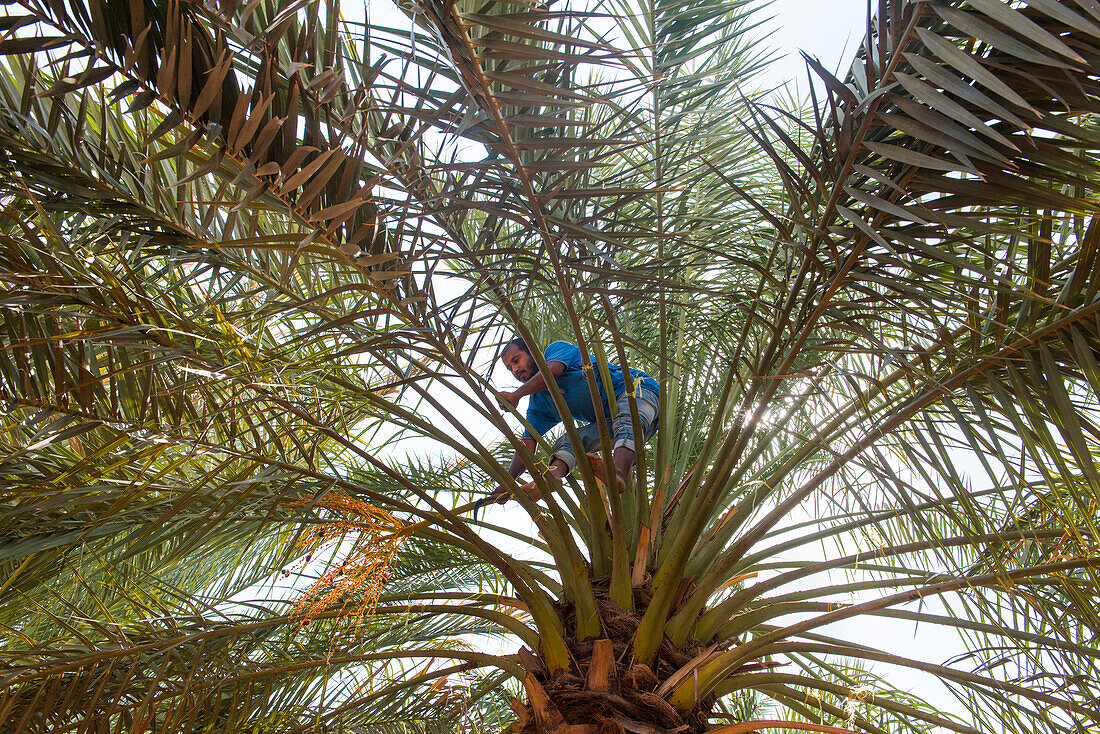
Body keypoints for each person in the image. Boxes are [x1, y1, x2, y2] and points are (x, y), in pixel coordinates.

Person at [493, 337, 659, 502]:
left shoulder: (556, 350)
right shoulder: (539, 405)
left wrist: (516, 395)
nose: (515, 370)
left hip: (638, 390)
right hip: (618, 424)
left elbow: (553, 372)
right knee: (569, 440)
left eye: (516, 361)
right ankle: (550, 480)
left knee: (625, 421)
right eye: (510, 368)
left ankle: (618, 474)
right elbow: (527, 445)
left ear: (531, 352)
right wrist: (509, 484)